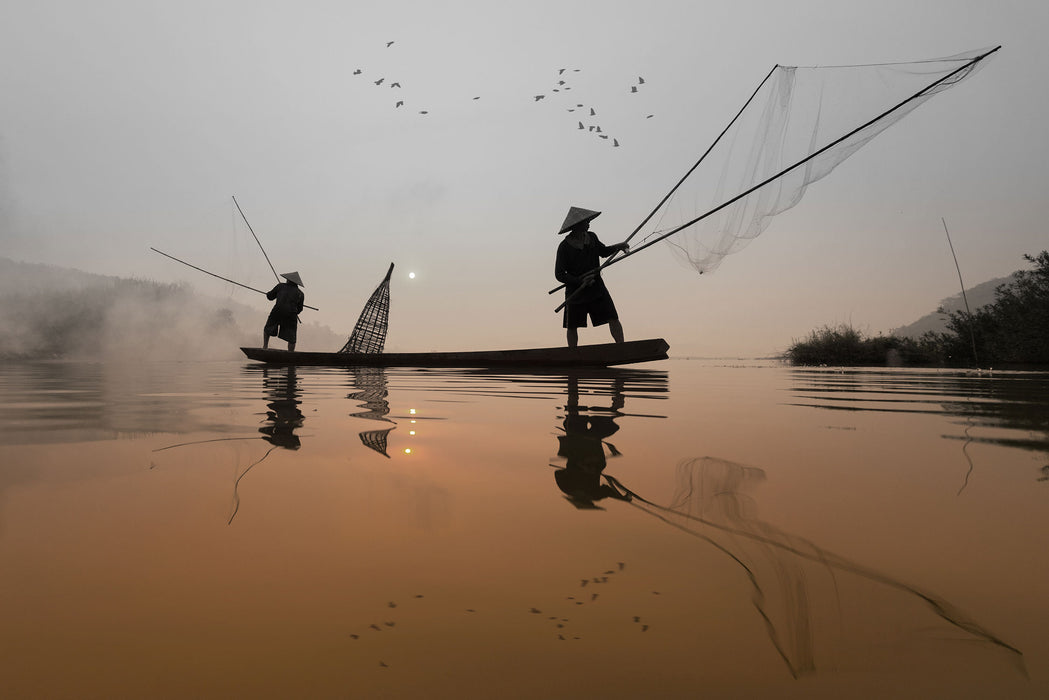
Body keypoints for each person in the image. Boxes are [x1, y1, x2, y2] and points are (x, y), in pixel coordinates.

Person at [554, 206, 629, 347]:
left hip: (596, 287)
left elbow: (604, 251)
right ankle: (573, 354)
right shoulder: (564, 246)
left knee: (613, 316)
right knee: (572, 325)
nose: (589, 223)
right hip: (576, 291)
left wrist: (619, 246)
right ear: (577, 225)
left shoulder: (592, 237)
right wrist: (579, 280)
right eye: (586, 221)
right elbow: (559, 274)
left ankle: (621, 347)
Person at [263, 272, 305, 351]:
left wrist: (267, 294)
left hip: (277, 311)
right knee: (292, 337)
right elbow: (300, 309)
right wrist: (294, 312)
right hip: (291, 314)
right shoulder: (300, 294)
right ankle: (290, 353)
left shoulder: (280, 286)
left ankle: (265, 347)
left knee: (267, 328)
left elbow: (270, 297)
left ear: (288, 280)